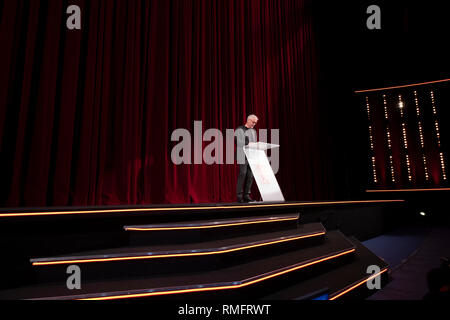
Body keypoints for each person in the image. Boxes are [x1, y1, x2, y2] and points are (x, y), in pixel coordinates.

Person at [235, 114, 258, 202]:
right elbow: (237, 141)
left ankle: (246, 195)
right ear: (248, 120)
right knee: (243, 174)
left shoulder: (253, 131)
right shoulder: (240, 129)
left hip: (251, 155)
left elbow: (254, 143)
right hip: (242, 155)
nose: (254, 124)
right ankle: (239, 196)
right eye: (253, 122)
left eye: (255, 123)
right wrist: (248, 143)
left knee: (250, 176)